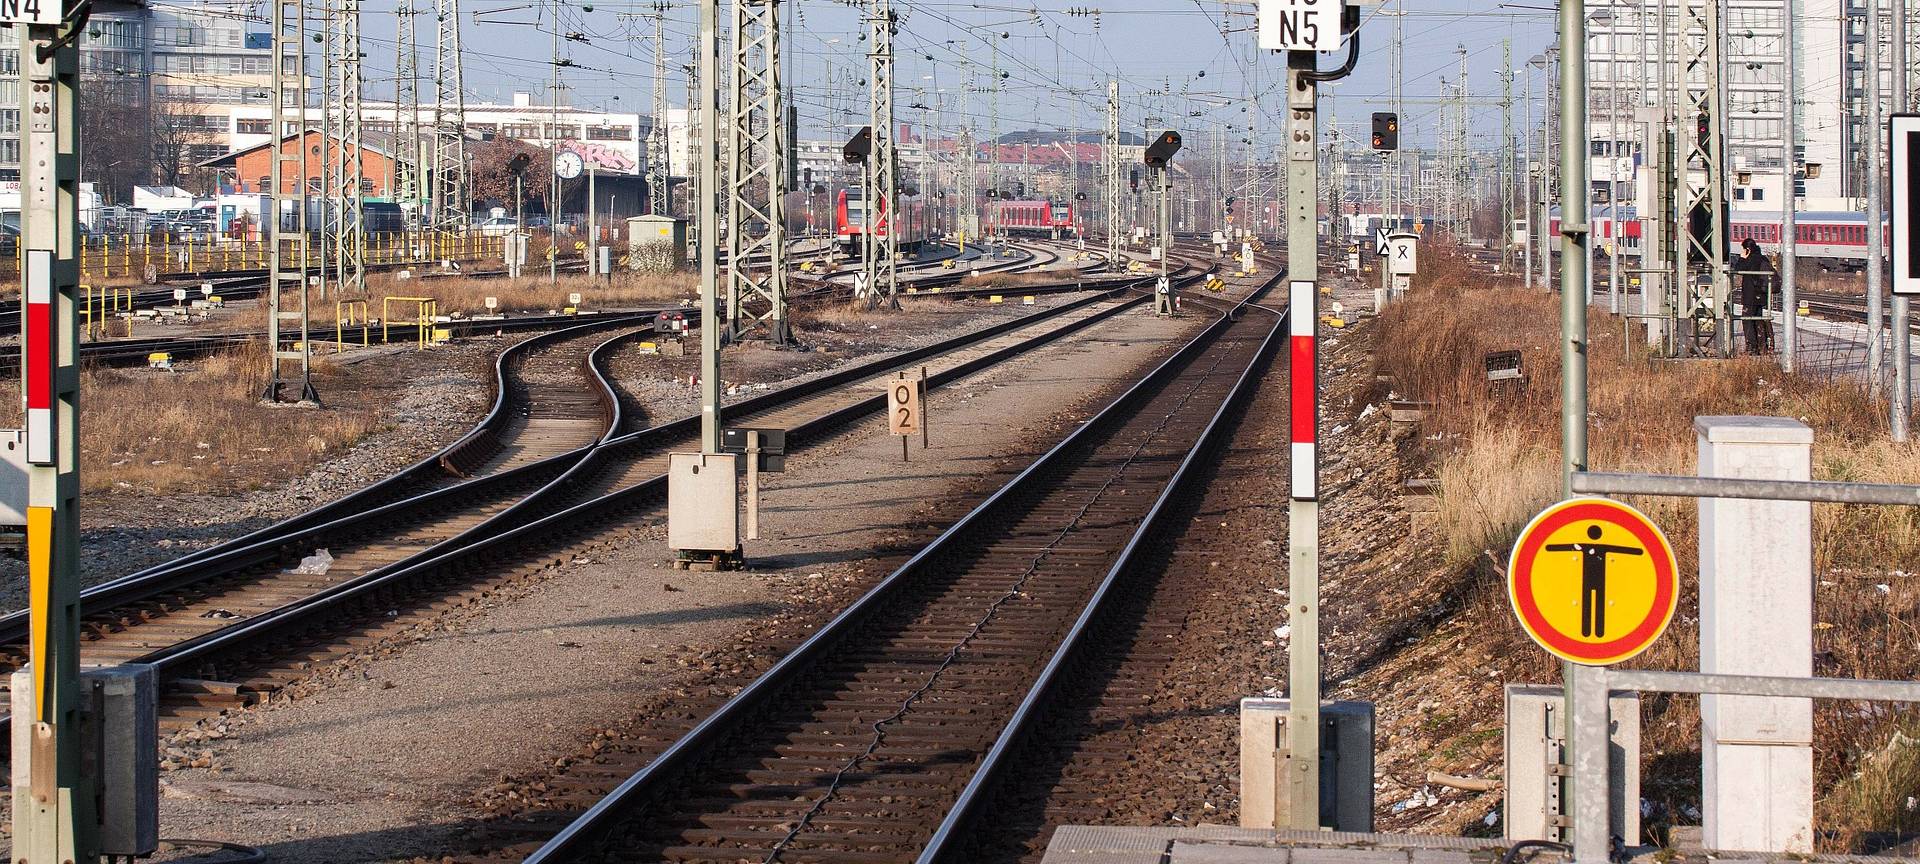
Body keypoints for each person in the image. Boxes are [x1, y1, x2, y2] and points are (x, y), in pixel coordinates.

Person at [1735, 238, 1777, 355]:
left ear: (1747, 249)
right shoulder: (1762, 258)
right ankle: (1762, 346)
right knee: (1758, 319)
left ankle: (1751, 347)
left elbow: (1738, 269)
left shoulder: (1750, 259)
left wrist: (1742, 258)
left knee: (1747, 320)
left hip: (1750, 295)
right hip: (1761, 295)